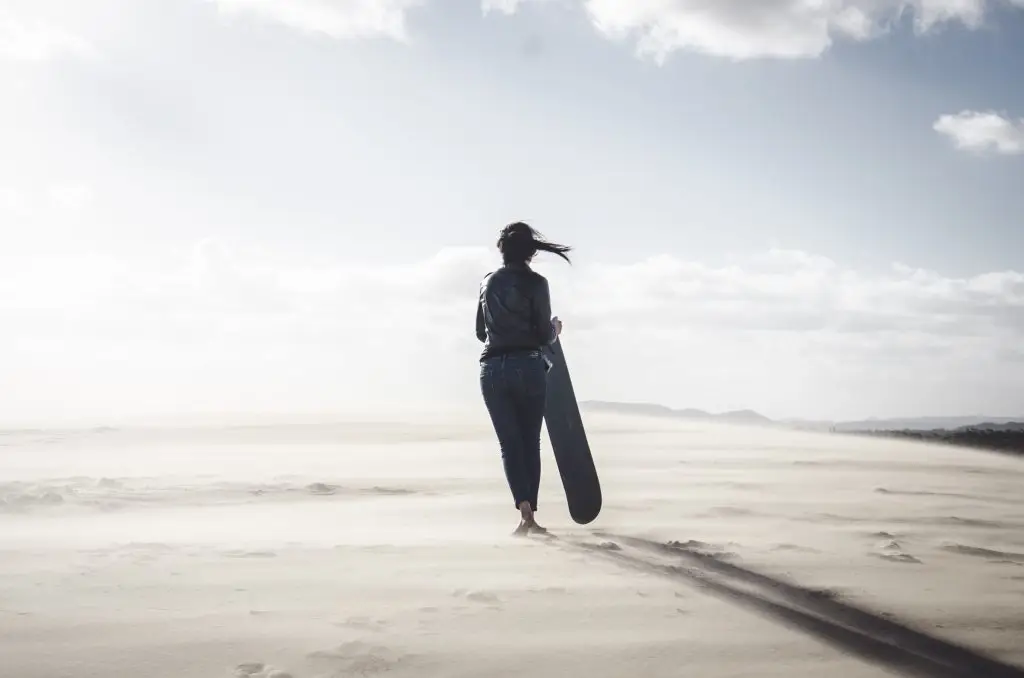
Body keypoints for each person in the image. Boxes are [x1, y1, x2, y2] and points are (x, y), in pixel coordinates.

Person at [475, 221, 572, 536]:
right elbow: (544, 335)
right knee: (530, 441)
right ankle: (530, 519)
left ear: (501, 251)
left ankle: (524, 511)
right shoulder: (537, 283)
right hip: (528, 367)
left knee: (509, 444)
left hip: (491, 370)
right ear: (531, 252)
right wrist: (554, 329)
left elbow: (480, 333)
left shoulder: (486, 283)